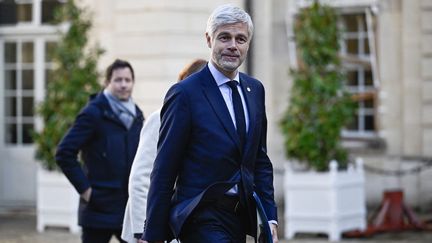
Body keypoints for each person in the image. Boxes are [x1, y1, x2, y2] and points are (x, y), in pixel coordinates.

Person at [142, 4, 278, 243]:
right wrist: (152, 235)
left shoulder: (255, 90)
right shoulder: (185, 94)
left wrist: (269, 219)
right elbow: (164, 169)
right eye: (224, 37)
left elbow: (260, 161)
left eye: (241, 39)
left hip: (240, 218)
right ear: (209, 39)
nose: (233, 46)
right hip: (199, 217)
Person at [56, 59, 144, 243]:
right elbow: (64, 153)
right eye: (118, 80)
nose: (123, 85)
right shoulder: (93, 113)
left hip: (127, 210)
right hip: (98, 210)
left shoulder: (137, 115)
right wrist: (86, 191)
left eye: (128, 80)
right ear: (107, 83)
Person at [121, 59, 207, 243]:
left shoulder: (205, 121)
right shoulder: (160, 118)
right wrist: (142, 231)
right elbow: (140, 178)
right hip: (154, 228)